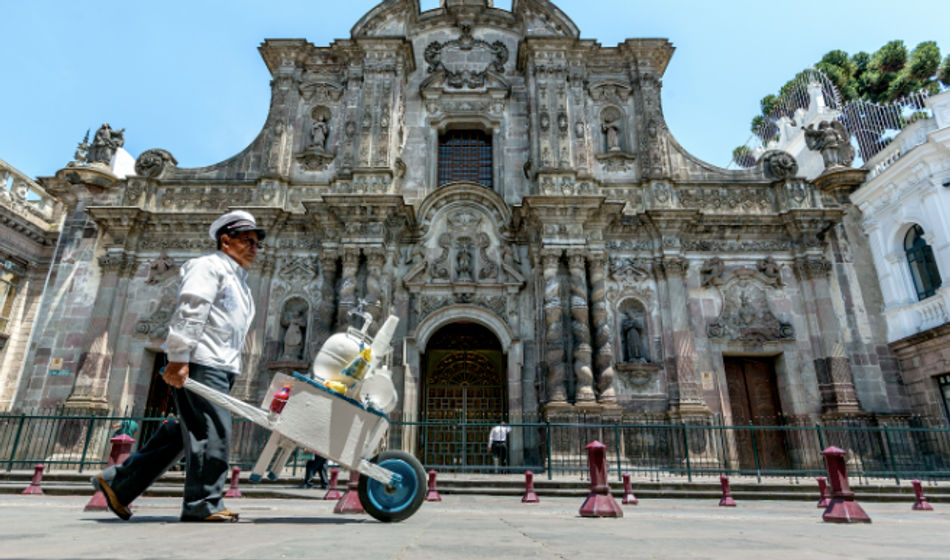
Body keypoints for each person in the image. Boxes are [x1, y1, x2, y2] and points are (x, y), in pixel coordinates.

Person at [91, 210, 265, 523]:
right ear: (225, 240)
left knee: (185, 432)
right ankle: (203, 503)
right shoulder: (208, 266)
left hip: (220, 365)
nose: (254, 247)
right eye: (247, 240)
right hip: (203, 361)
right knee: (213, 433)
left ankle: (119, 481)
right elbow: (191, 308)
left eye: (257, 242)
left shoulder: (240, 279)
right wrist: (179, 357)